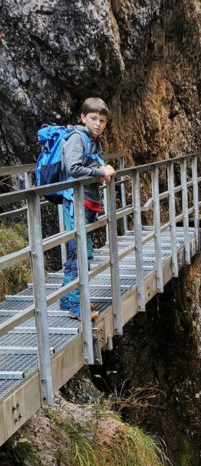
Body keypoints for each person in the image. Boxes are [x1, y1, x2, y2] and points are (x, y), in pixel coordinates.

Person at [59, 97, 116, 319]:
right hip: (76, 202)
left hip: (87, 201)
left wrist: (101, 172)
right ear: (83, 117)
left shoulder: (93, 141)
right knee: (81, 253)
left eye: (102, 120)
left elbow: (88, 166)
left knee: (80, 252)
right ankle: (75, 305)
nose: (98, 124)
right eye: (93, 118)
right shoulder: (77, 138)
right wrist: (101, 173)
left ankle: (68, 299)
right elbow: (73, 168)